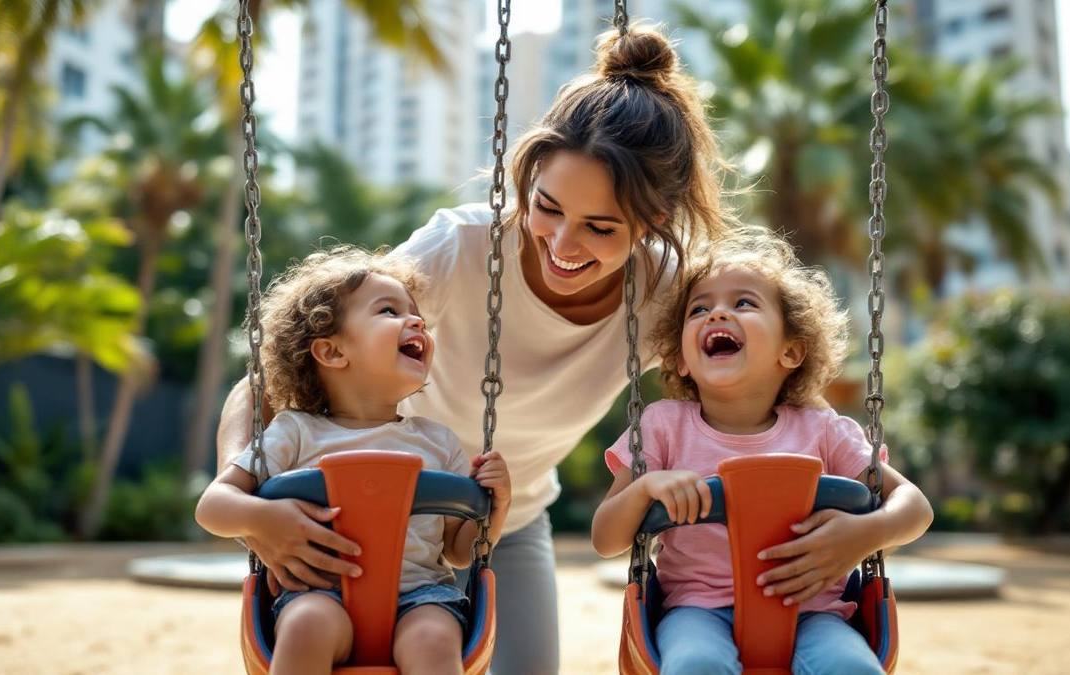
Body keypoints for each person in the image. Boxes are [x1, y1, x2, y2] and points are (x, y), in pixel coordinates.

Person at [217, 26, 733, 673]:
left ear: (653, 221)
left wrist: (845, 520)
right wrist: (252, 509)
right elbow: (266, 379)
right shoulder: (460, 250)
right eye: (547, 207)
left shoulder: (665, 294)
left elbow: (762, 383)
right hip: (369, 516)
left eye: (600, 228)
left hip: (502, 520)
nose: (562, 245)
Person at [590, 227, 934, 675]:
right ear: (681, 359)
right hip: (696, 612)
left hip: (815, 612)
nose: (717, 313)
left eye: (744, 303)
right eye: (699, 308)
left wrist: (865, 534)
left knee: (853, 668)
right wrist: (645, 488)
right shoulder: (662, 427)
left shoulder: (823, 430)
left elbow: (916, 507)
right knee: (695, 665)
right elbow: (605, 540)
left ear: (790, 351)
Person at [197, 247, 511, 675]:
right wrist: (264, 519)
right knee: (306, 626)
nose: (417, 322)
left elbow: (459, 551)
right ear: (331, 352)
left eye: (416, 314)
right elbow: (212, 507)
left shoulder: (437, 442)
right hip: (318, 592)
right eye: (389, 311)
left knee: (434, 640)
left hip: (421, 597)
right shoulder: (295, 431)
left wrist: (497, 506)